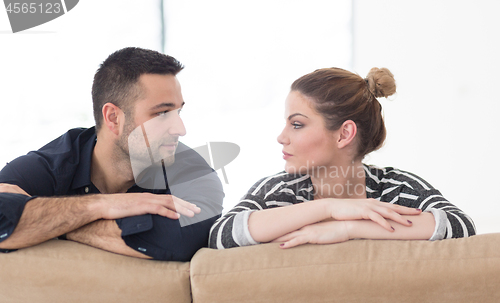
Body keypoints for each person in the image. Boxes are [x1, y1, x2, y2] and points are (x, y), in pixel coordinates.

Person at [209, 67, 475, 249]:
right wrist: (328, 208)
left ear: (344, 134)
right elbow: (220, 235)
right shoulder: (279, 191)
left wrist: (348, 228)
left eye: (297, 124)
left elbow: (460, 225)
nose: (281, 137)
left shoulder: (397, 188)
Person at [0, 47, 224, 261]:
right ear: (114, 118)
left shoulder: (194, 172)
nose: (180, 129)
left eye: (178, 111)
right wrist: (99, 205)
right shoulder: (54, 164)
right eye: (162, 113)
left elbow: (179, 240)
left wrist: (52, 224)